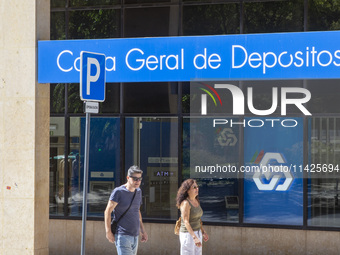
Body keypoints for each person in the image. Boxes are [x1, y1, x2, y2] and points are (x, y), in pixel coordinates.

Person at [104, 165, 148, 255]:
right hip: (123, 235)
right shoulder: (118, 192)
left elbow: (137, 211)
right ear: (128, 178)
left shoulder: (138, 191)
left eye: (139, 179)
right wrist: (108, 232)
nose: (138, 181)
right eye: (135, 178)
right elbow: (107, 211)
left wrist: (143, 231)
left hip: (135, 235)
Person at [176, 179, 209, 255]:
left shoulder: (196, 200)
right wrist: (194, 237)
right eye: (194, 187)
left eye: (197, 187)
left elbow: (198, 219)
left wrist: (203, 232)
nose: (197, 189)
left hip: (198, 232)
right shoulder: (185, 203)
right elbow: (186, 221)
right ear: (187, 190)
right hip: (188, 235)